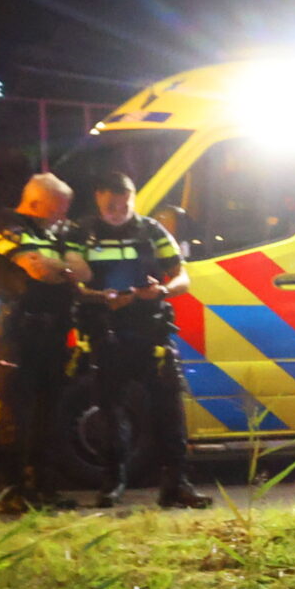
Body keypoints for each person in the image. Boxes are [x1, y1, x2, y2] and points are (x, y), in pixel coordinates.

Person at [76, 172, 209, 509]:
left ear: (133, 199)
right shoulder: (83, 234)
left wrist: (161, 290)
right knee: (110, 412)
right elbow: (71, 283)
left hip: (151, 333)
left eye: (123, 204)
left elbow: (182, 277)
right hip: (108, 333)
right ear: (98, 199)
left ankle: (176, 485)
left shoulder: (151, 231)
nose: (117, 210)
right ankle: (112, 482)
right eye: (110, 204)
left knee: (169, 412)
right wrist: (99, 296)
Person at [0, 173, 91, 512]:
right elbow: (38, 270)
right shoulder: (5, 226)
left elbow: (82, 272)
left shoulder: (58, 232)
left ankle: (45, 488)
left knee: (51, 414)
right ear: (34, 203)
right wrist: (64, 269)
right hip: (18, 333)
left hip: (55, 333)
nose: (63, 216)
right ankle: (11, 492)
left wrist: (63, 268)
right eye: (58, 209)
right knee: (16, 413)